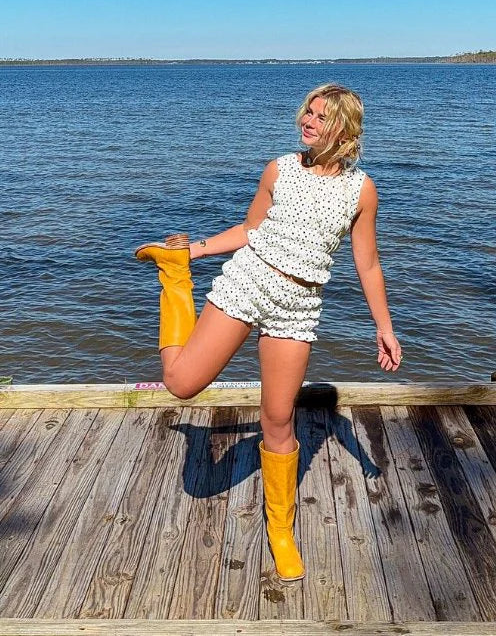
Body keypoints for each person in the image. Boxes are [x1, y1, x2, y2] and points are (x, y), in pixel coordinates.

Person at [135, 82, 402, 582]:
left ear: (344, 128)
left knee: (279, 420)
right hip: (249, 280)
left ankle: (281, 530)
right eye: (308, 111)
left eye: (321, 116)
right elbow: (250, 231)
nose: (308, 120)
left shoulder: (361, 190)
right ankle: (173, 276)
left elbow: (367, 264)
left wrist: (383, 328)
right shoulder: (278, 169)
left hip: (298, 306)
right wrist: (192, 251)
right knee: (181, 383)